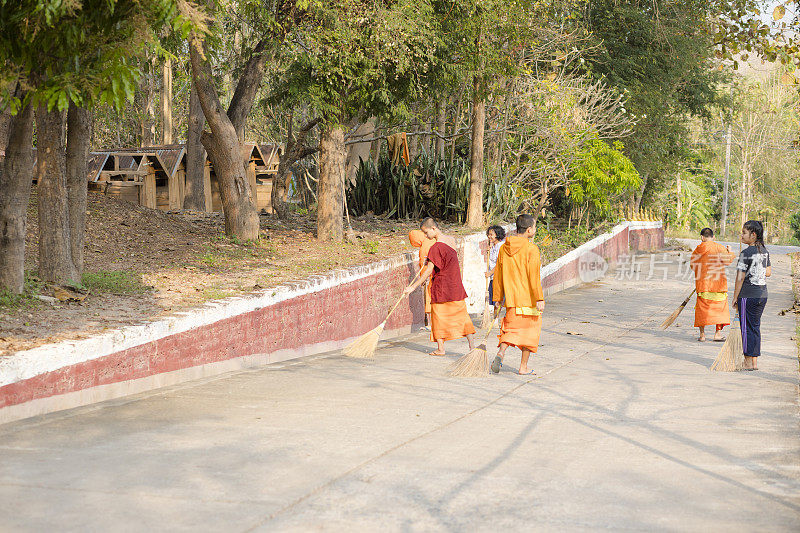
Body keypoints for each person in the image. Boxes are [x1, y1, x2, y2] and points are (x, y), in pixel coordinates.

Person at [404, 218, 476, 356]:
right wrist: (431, 259)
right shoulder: (451, 240)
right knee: (462, 316)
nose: (426, 236)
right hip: (455, 285)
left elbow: (428, 271)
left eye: (426, 232)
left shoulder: (435, 248)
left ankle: (441, 349)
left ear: (433, 229)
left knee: (438, 318)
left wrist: (413, 287)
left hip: (442, 287)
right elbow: (447, 260)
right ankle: (472, 346)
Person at [490, 214, 544, 375]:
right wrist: (539, 298)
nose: (534, 230)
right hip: (529, 299)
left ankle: (501, 352)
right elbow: (534, 276)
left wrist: (497, 298)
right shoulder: (531, 249)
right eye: (534, 227)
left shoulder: (504, 249)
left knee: (511, 330)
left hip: (512, 299)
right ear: (529, 230)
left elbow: (498, 275)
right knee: (530, 333)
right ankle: (523, 367)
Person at [733, 220, 771, 371]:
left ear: (753, 235)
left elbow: (740, 277)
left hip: (748, 296)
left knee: (746, 328)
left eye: (744, 232)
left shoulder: (746, 253)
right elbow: (768, 272)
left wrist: (735, 297)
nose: (741, 235)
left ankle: (748, 362)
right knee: (754, 327)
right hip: (762, 295)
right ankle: (754, 362)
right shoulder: (764, 251)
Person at [690, 227, 735, 342]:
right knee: (720, 309)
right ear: (713, 237)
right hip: (718, 286)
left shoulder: (698, 249)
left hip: (704, 286)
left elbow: (693, 266)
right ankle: (717, 334)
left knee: (702, 310)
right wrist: (730, 251)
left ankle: (702, 335)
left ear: (702, 237)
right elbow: (728, 261)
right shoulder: (719, 247)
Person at [408, 229, 435, 330]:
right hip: (437, 276)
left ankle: (432, 324)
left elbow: (424, 265)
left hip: (431, 277)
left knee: (430, 299)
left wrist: (423, 279)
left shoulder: (425, 246)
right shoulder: (432, 240)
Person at [485, 225, 506, 312]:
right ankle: (495, 318)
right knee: (493, 300)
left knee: (497, 300)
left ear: (497, 235)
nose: (489, 236)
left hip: (498, 277)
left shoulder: (501, 247)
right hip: (493, 277)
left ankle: (496, 319)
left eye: (491, 234)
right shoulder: (493, 247)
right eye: (488, 234)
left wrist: (490, 273)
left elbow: (500, 263)